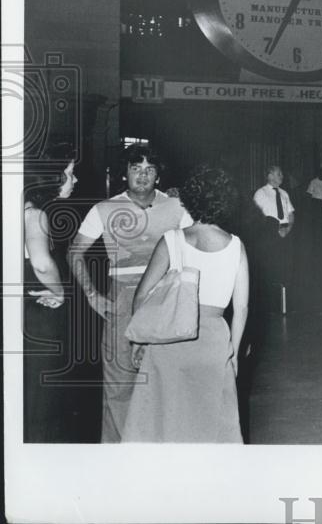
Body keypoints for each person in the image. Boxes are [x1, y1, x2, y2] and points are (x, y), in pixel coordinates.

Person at [68, 143, 193, 443]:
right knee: (120, 384)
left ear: (158, 176)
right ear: (125, 174)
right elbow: (75, 252)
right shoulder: (104, 209)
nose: (142, 176)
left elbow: (195, 249)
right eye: (136, 169)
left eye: (149, 170)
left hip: (166, 297)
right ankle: (120, 457)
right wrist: (92, 295)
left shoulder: (177, 207)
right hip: (122, 297)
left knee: (167, 380)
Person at [122, 166, 249, 443]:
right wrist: (234, 353)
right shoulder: (236, 246)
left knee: (167, 421)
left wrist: (139, 342)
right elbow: (240, 309)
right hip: (214, 341)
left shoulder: (172, 240)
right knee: (211, 422)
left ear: (189, 201)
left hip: (171, 339)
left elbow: (141, 296)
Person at [23, 158, 78, 442]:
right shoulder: (36, 214)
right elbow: (42, 264)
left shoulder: (21, 208)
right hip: (39, 312)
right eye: (70, 174)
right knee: (41, 396)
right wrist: (60, 292)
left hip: (23, 309)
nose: (75, 180)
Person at [251, 165, 294, 314]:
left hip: (285, 232)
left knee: (285, 268)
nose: (282, 176)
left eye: (281, 173)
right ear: (269, 176)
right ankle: (267, 307)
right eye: (278, 173)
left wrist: (287, 229)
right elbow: (257, 217)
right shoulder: (260, 193)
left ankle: (283, 306)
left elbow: (291, 214)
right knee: (269, 269)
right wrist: (272, 230)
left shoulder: (284, 193)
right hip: (268, 233)